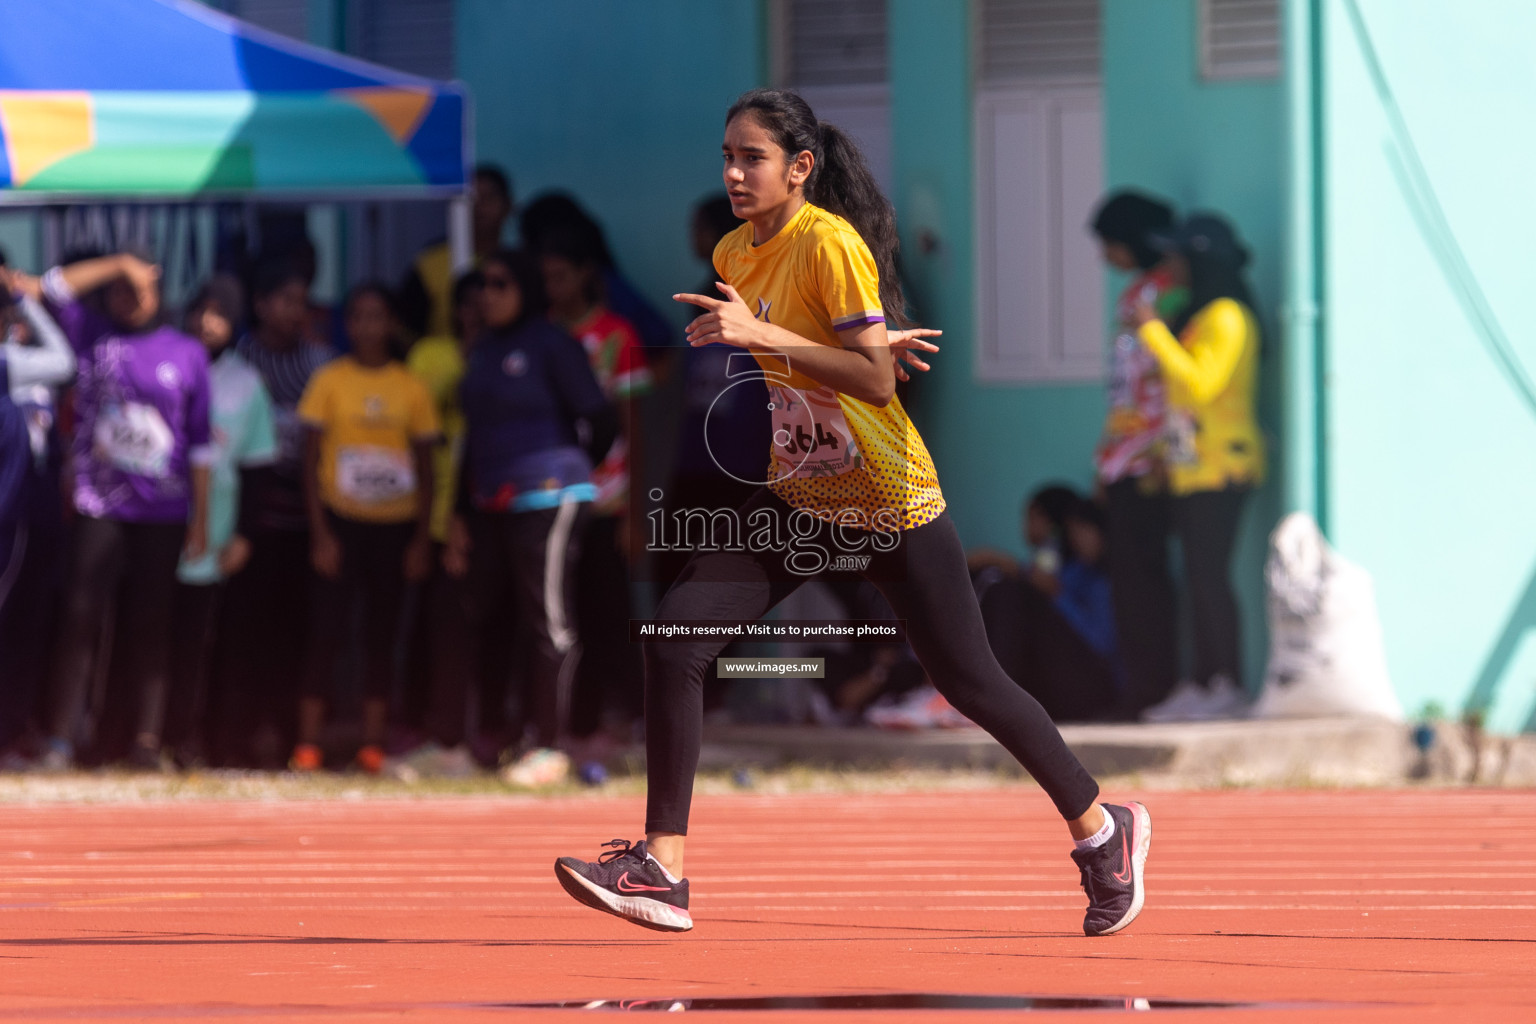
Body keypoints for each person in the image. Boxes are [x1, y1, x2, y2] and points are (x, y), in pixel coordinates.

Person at [553, 88, 1150, 937]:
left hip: (886, 498)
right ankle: (663, 867)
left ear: (799, 168)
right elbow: (834, 357)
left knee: (969, 681)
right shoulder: (734, 249)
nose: (732, 172)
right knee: (678, 636)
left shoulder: (830, 242)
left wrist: (784, 342)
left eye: (751, 157)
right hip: (800, 494)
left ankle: (1102, 832)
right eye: (726, 155)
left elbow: (873, 383)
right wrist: (823, 347)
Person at [19, 253, 211, 769]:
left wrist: (203, 519)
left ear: (159, 286)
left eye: (136, 287)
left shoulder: (187, 352)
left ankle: (145, 740)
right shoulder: (93, 335)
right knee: (80, 617)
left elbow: (200, 445)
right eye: (117, 290)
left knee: (152, 622)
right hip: (98, 503)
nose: (126, 298)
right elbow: (51, 288)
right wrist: (119, 264)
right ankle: (62, 739)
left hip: (164, 511)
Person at [432, 250, 615, 787]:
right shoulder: (483, 350)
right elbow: (476, 436)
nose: (488, 295)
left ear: (528, 289)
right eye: (482, 286)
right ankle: (463, 744)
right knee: (467, 612)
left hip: (549, 496)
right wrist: (460, 511)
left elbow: (600, 419)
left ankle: (551, 747)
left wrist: (568, 472)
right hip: (490, 501)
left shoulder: (552, 345)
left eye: (500, 284)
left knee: (548, 619)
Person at [293, 284, 439, 772]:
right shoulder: (330, 380)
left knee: (382, 634)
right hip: (340, 525)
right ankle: (308, 744)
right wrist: (320, 534)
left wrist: (421, 539)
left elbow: (428, 465)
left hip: (394, 531)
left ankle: (373, 744)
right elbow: (308, 460)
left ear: (391, 323)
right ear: (348, 324)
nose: (368, 327)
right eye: (358, 317)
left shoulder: (410, 386)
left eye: (377, 317)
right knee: (326, 631)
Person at [1132, 213, 1265, 722]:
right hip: (1194, 468)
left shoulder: (1228, 316)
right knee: (1197, 577)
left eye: (1177, 257)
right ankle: (1205, 680)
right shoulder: (1203, 315)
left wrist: (1155, 334)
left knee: (1210, 578)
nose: (1170, 267)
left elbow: (1201, 385)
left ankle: (1225, 682)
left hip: (1221, 468)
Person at [538, 221, 651, 747]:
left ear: (584, 275)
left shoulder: (617, 337)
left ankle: (626, 717)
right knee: (564, 616)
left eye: (562, 276)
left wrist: (636, 513)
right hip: (550, 498)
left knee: (611, 616)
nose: (553, 288)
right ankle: (573, 723)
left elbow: (634, 429)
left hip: (608, 502)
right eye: (546, 278)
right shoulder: (539, 337)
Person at [222, 259, 335, 765]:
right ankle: (239, 738)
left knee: (300, 635)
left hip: (305, 525)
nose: (295, 310)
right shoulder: (240, 361)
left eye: (301, 300)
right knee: (244, 635)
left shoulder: (320, 364)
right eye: (284, 299)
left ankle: (295, 741)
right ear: (261, 305)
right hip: (250, 525)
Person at [166, 277, 277, 767]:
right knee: (158, 643)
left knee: (215, 647)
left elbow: (258, 468)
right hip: (161, 530)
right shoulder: (166, 368)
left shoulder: (246, 383)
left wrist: (245, 536)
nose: (205, 322)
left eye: (218, 313)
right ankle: (153, 737)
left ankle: (209, 742)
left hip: (219, 536)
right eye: (199, 310)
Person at [1090, 191, 1185, 718]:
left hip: (1149, 457)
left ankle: (1152, 688)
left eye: (1110, 244)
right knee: (1136, 581)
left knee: (1144, 582)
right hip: (1128, 454)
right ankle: (1144, 687)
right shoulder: (1151, 290)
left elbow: (1147, 384)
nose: (1106, 256)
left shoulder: (1160, 294)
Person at [0, 265, 76, 754]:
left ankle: (10, 729)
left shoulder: (7, 361)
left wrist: (21, 298)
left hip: (13, 523)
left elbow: (63, 362)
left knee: (16, 625)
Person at [977, 491, 1122, 723]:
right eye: (1073, 532)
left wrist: (1058, 595)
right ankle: (978, 691)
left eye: (1082, 531)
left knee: (1010, 591)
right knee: (998, 583)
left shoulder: (1100, 579)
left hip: (1093, 688)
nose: (1077, 539)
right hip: (1058, 683)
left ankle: (992, 696)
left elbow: (1102, 643)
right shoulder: (1071, 569)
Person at [399, 165, 514, 340]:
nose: (479, 206)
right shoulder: (429, 264)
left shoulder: (518, 266)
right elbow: (408, 329)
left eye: (489, 197)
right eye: (471, 198)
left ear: (508, 206)